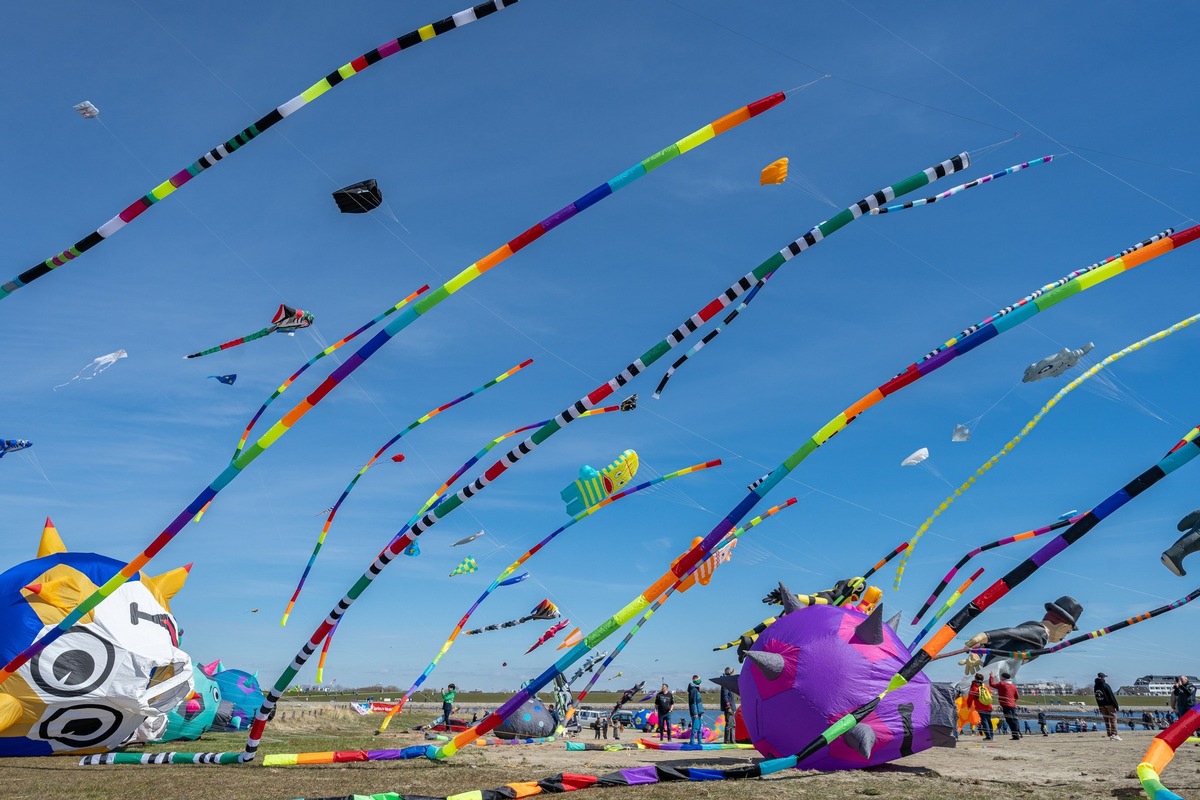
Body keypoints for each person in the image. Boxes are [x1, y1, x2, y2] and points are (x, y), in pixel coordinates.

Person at [959, 596, 1082, 682]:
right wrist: (984, 636)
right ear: (1062, 627)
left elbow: (1003, 642)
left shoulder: (1036, 631)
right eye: (1067, 632)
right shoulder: (1040, 633)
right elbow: (1010, 632)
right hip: (995, 669)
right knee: (969, 691)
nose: (1064, 637)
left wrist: (978, 651)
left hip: (996, 671)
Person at [989, 671, 1021, 740]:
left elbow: (992, 684)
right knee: (1015, 719)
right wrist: (1013, 701)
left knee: (1010, 720)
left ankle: (1015, 735)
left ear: (1003, 678)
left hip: (1006, 704)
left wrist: (991, 676)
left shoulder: (1002, 684)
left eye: (1001, 677)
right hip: (1013, 705)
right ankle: (1018, 733)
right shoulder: (1013, 685)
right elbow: (1017, 696)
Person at [1093, 672, 1120, 740]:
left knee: (1106, 720)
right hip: (1109, 704)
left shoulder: (1095, 686)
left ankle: (1110, 734)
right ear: (1102, 677)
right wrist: (1116, 705)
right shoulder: (1105, 685)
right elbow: (1111, 696)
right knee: (1113, 719)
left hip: (1101, 704)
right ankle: (1114, 734)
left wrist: (1099, 706)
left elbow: (1097, 696)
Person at [968, 673, 993, 740]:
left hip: (980, 706)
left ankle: (988, 736)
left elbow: (970, 697)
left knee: (984, 721)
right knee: (989, 720)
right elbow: (990, 694)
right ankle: (991, 735)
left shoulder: (974, 687)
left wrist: (969, 705)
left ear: (975, 678)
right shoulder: (985, 686)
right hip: (988, 705)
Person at [720, 666, 737, 744]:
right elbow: (725, 696)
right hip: (729, 707)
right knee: (729, 724)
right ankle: (727, 740)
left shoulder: (729, 682)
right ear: (730, 672)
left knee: (733, 724)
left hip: (732, 707)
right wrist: (728, 707)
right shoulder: (726, 683)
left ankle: (732, 740)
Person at [688, 674, 704, 745]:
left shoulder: (696, 690)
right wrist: (695, 713)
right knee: (695, 727)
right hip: (696, 713)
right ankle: (692, 741)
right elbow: (693, 702)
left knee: (700, 727)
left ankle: (700, 741)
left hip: (699, 712)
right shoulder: (693, 690)